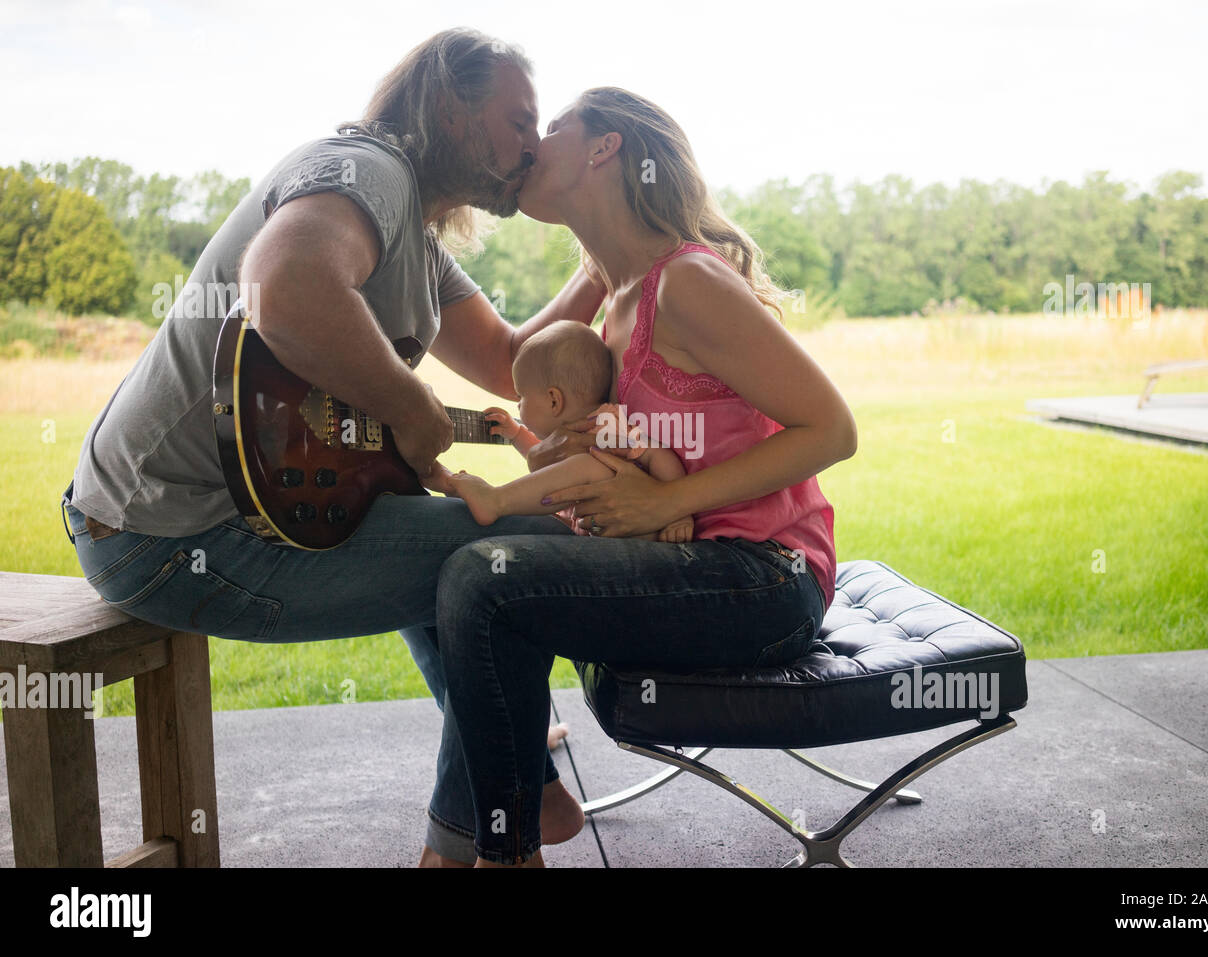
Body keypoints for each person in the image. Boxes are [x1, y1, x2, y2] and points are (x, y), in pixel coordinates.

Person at [59, 28, 598, 867]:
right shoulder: (367, 174)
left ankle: (522, 789)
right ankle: (476, 843)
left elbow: (507, 359)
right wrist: (405, 400)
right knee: (516, 554)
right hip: (171, 534)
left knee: (451, 532)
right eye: (518, 119)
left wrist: (606, 243)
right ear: (450, 107)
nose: (531, 144)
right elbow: (283, 284)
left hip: (185, 518)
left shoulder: (412, 233)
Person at [429, 86, 857, 866]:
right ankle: (519, 824)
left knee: (480, 582)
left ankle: (498, 853)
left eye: (550, 126)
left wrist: (665, 497)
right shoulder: (615, 305)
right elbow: (607, 430)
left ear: (604, 147)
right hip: (694, 561)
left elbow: (832, 428)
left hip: (766, 580)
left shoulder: (688, 283)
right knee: (482, 550)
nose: (531, 142)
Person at [444, 320, 694, 542]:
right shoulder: (572, 442)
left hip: (636, 527)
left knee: (588, 466)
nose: (518, 405)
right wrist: (517, 435)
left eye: (521, 396)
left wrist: (677, 514)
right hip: (595, 534)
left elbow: (659, 455)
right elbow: (553, 474)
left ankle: (495, 501)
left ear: (554, 400)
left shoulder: (605, 424)